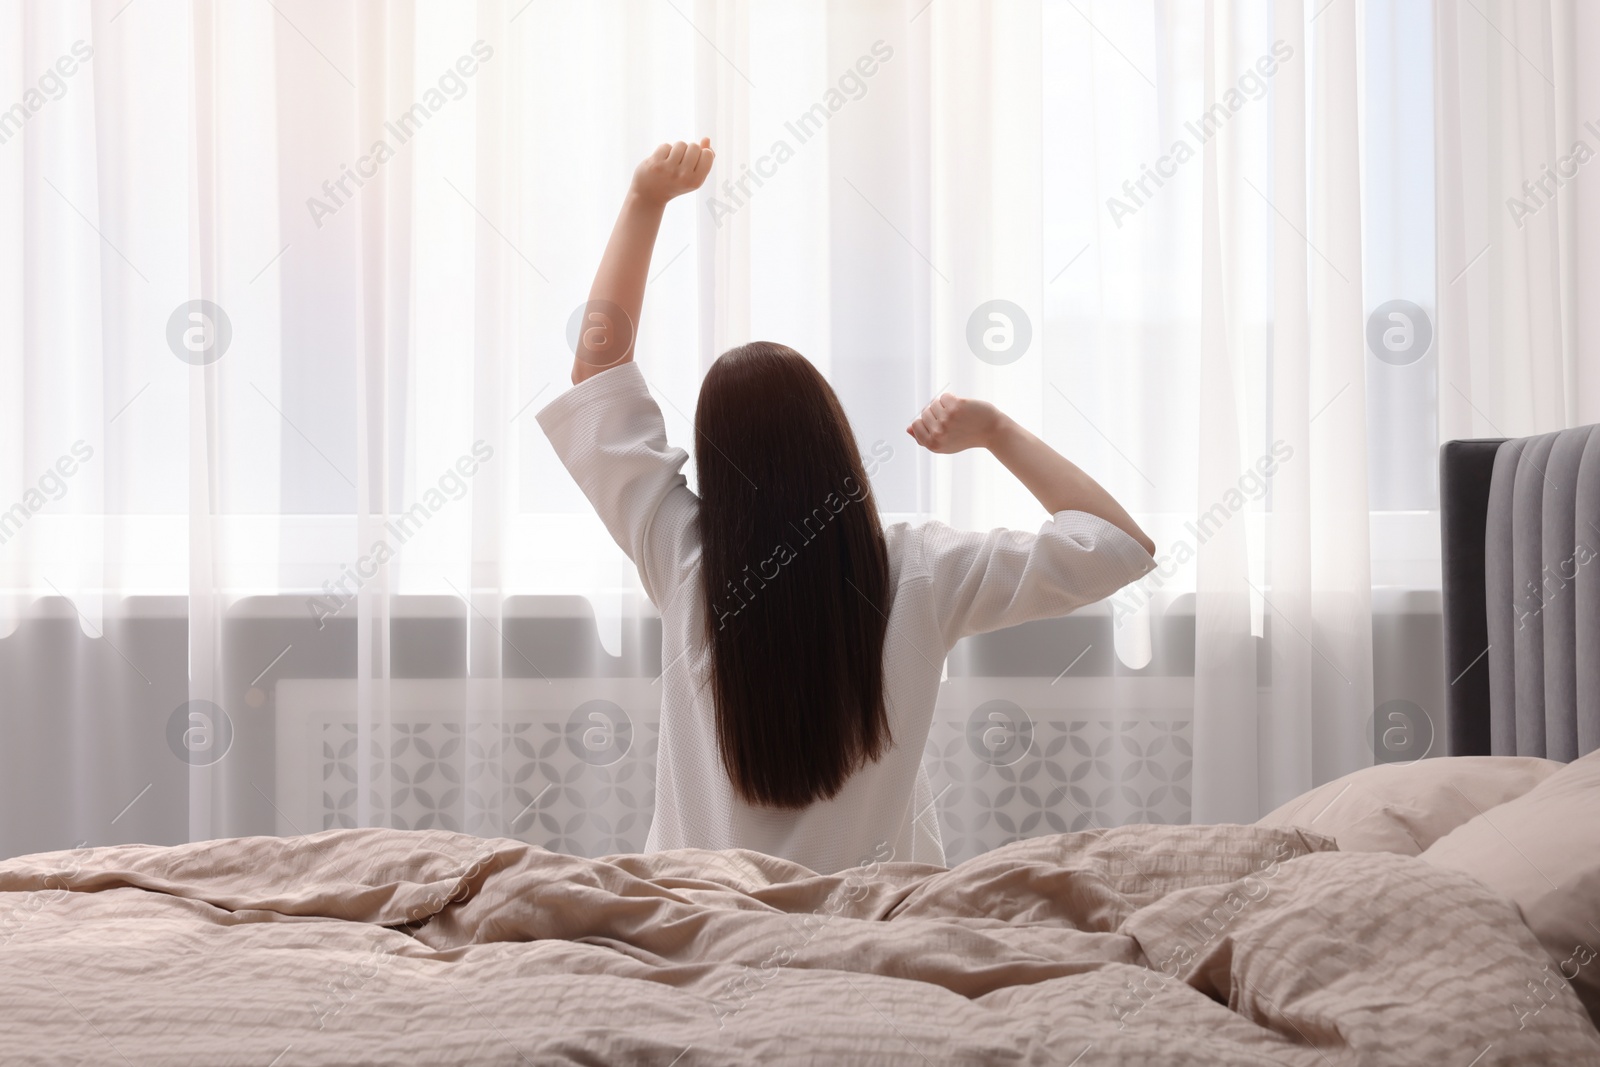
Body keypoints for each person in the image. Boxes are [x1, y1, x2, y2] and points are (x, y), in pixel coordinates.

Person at [537, 139, 1156, 875]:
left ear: (716, 463)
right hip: (871, 926)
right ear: (835, 443)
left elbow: (596, 369)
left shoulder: (681, 553)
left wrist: (646, 199)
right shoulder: (920, 567)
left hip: (696, 915)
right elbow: (1115, 541)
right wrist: (997, 432)